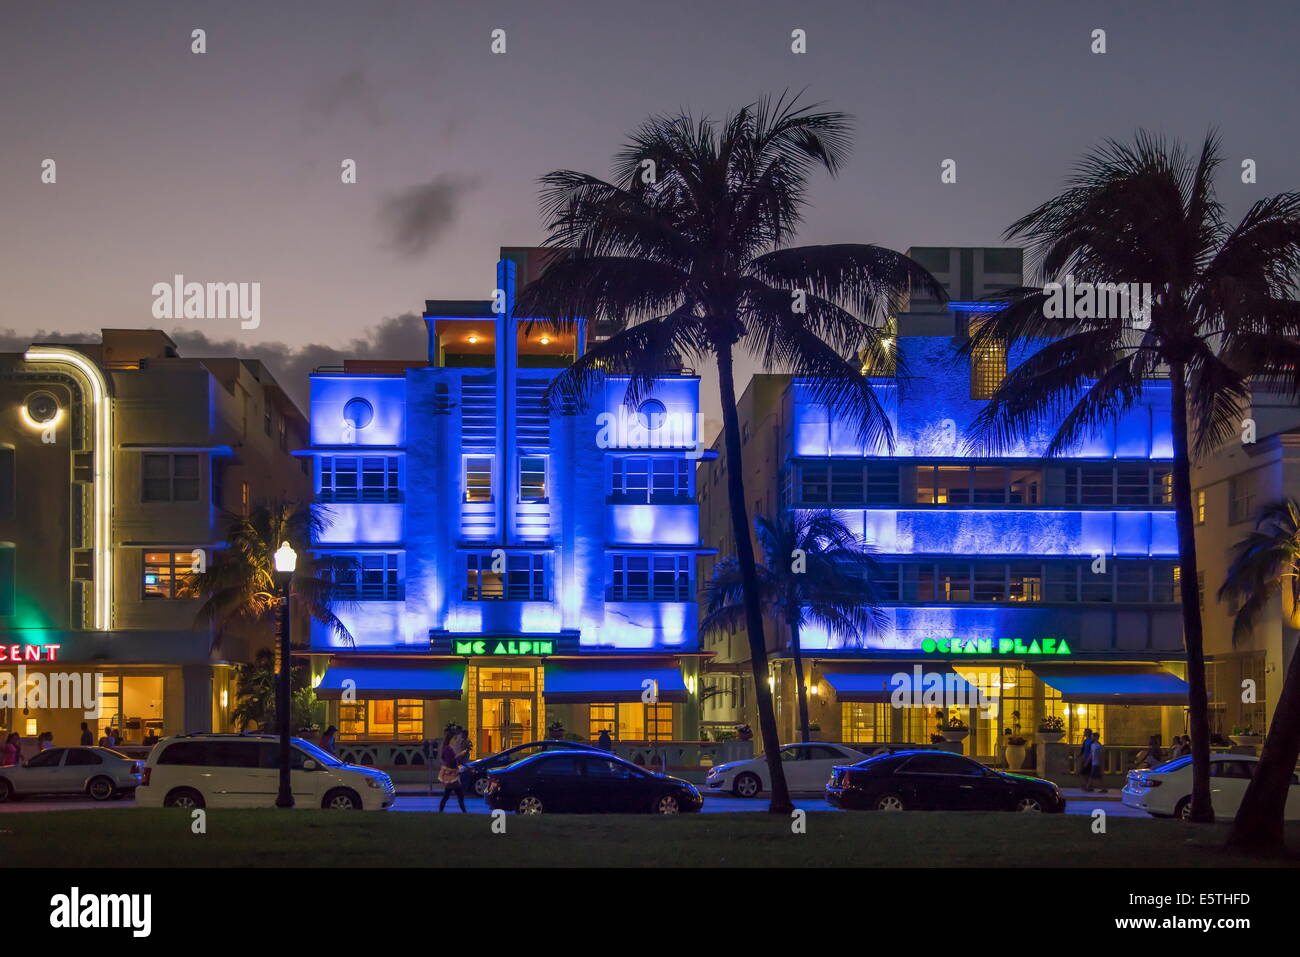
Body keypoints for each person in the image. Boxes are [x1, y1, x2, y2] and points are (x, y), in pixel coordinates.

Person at [438, 729, 467, 812]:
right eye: (455, 738)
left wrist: (466, 766)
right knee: (456, 794)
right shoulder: (447, 749)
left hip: (452, 773)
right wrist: (458, 756)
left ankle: (441, 811)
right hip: (451, 774)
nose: (456, 740)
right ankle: (464, 812)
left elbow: (447, 759)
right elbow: (449, 761)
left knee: (451, 794)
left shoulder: (448, 748)